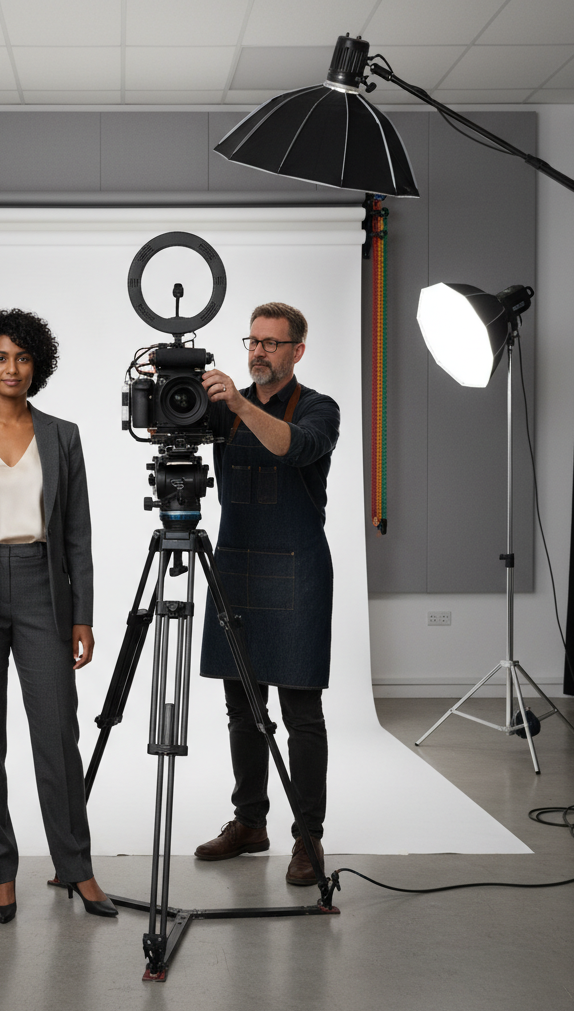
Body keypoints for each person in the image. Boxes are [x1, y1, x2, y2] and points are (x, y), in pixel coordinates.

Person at [0, 308, 116, 923]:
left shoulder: (63, 435)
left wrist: (82, 614)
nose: (12, 368)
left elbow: (80, 534)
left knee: (58, 736)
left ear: (39, 365)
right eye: (1, 357)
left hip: (43, 591)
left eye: (23, 357)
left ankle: (76, 867)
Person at [195, 301, 339, 885]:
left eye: (271, 344)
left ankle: (308, 837)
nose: (258, 352)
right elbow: (168, 429)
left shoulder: (319, 409)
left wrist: (238, 404)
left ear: (297, 351)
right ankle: (249, 822)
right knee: (242, 709)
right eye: (252, 341)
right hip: (236, 563)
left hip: (298, 566)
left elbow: (290, 447)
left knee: (301, 713)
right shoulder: (224, 405)